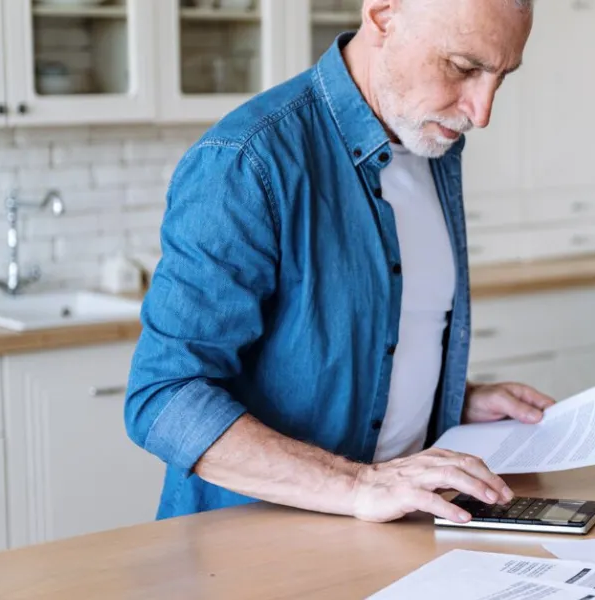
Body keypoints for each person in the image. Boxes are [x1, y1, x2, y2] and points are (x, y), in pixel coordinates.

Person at [124, 0, 551, 526]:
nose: (481, 111)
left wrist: (450, 400)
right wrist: (358, 485)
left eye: (499, 77)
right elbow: (164, 399)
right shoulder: (246, 160)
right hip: (252, 544)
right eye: (463, 68)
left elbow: (366, 344)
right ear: (382, 16)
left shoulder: (430, 144)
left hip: (392, 531)